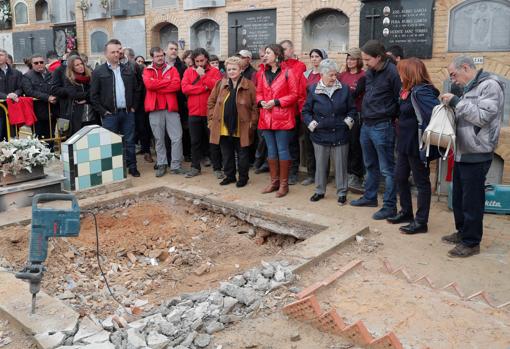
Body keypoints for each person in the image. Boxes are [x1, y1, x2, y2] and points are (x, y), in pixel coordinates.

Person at [440, 56, 504, 257]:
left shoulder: (490, 86)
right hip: (462, 151)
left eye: (454, 75)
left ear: (465, 68)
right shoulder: (469, 88)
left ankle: (471, 242)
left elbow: (483, 116)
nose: (454, 80)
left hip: (477, 152)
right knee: (459, 197)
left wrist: (456, 102)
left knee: (472, 200)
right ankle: (462, 232)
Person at [386, 58, 440, 234]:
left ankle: (421, 222)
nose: (399, 75)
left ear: (409, 73)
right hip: (404, 143)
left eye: (401, 71)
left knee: (421, 182)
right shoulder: (407, 91)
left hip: (417, 144)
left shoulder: (422, 91)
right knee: (400, 178)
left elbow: (434, 114)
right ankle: (406, 212)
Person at [350, 40, 401, 220]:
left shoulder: (393, 73)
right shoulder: (371, 72)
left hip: (382, 126)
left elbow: (399, 99)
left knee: (387, 169)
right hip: (367, 124)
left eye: (367, 59)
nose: (364, 63)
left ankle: (389, 206)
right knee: (370, 165)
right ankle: (370, 197)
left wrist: (388, 115)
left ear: (379, 57)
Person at [302, 59, 356, 205]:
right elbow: (306, 111)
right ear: (322, 75)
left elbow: (352, 109)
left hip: (340, 132)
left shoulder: (344, 89)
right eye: (331, 75)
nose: (334, 78)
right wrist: (312, 124)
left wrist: (347, 123)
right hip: (320, 134)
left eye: (335, 75)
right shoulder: (313, 89)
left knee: (340, 165)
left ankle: (342, 192)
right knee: (320, 165)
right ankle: (319, 191)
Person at [90, 39, 141, 177]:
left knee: (130, 141)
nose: (115, 55)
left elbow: (137, 90)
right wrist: (103, 112)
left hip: (127, 112)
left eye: (117, 52)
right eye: (112, 52)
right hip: (110, 114)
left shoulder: (128, 69)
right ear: (106, 54)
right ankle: (111, 169)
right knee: (109, 142)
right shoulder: (98, 72)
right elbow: (93, 96)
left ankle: (132, 167)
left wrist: (134, 107)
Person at [208, 56, 258, 187]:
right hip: (223, 126)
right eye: (228, 69)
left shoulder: (249, 85)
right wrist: (211, 120)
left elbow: (255, 106)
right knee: (227, 154)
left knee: (242, 155)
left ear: (241, 69)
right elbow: (211, 102)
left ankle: (243, 177)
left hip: (242, 126)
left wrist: (252, 123)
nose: (231, 72)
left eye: (234, 69)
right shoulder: (220, 84)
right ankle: (229, 176)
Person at [257, 44, 299, 198]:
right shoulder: (262, 73)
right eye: (265, 53)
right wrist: (260, 101)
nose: (265, 55)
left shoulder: (288, 72)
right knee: (271, 150)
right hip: (266, 117)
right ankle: (274, 182)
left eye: (268, 53)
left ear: (276, 55)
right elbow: (259, 92)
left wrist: (276, 102)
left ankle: (284, 184)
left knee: (282, 150)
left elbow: (295, 94)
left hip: (282, 117)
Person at [143, 46, 186, 177]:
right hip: (155, 109)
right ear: (152, 57)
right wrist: (166, 83)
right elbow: (149, 85)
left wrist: (157, 85)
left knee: (177, 137)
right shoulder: (147, 70)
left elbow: (176, 86)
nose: (160, 58)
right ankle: (162, 164)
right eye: (157, 56)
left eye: (161, 55)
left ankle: (176, 165)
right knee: (159, 139)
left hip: (171, 108)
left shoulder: (172, 69)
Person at [181, 47, 223, 178]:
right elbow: (185, 89)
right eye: (197, 61)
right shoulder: (188, 72)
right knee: (195, 142)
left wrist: (203, 76)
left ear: (206, 59)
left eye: (202, 60)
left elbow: (216, 87)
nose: (200, 63)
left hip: (210, 113)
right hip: (194, 112)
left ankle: (217, 168)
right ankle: (195, 167)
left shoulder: (215, 71)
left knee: (213, 141)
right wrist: (202, 88)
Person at [339, 47, 366, 194]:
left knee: (356, 146)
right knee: (345, 145)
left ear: (359, 61)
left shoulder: (364, 75)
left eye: (353, 59)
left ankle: (356, 175)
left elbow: (358, 95)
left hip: (357, 115)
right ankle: (347, 173)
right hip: (342, 115)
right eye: (348, 59)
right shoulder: (342, 75)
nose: (349, 61)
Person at [280, 40, 307, 185]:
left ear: (291, 49)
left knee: (292, 143)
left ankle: (293, 172)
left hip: (294, 110)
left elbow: (300, 91)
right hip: (280, 109)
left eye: (284, 49)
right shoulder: (278, 66)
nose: (283, 52)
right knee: (281, 143)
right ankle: (281, 171)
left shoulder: (299, 66)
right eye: (280, 50)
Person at [301, 48, 328, 186]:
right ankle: (311, 174)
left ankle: (323, 175)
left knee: (323, 147)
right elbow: (302, 94)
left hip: (322, 115)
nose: (314, 59)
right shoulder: (306, 74)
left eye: (317, 56)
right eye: (312, 56)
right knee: (309, 146)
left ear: (323, 58)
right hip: (308, 115)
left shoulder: (327, 74)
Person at [166, 41, 191, 163]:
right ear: (166, 50)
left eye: (176, 49)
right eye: (171, 48)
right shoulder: (162, 65)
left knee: (182, 131)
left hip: (180, 102)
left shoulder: (182, 66)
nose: (174, 51)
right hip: (165, 103)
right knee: (166, 134)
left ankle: (185, 154)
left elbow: (183, 85)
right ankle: (167, 158)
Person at [21, 54, 57, 139]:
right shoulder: (27, 76)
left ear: (45, 62)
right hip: (37, 112)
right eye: (36, 63)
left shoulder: (52, 74)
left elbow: (57, 87)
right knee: (39, 136)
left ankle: (51, 151)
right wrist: (47, 97)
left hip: (52, 110)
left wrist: (55, 97)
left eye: (41, 62)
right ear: (32, 64)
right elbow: (29, 91)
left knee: (51, 135)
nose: (39, 64)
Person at [62, 55, 97, 135]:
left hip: (93, 113)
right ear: (72, 67)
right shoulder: (69, 79)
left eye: (81, 64)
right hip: (78, 114)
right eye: (77, 65)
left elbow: (96, 92)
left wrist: (87, 99)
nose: (80, 66)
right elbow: (74, 94)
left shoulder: (91, 76)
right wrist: (89, 95)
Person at [0, 49, 23, 140]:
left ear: (6, 58)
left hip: (13, 109)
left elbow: (21, 88)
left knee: (12, 137)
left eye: (1, 55)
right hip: (1, 109)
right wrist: (6, 96)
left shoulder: (16, 73)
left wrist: (15, 94)